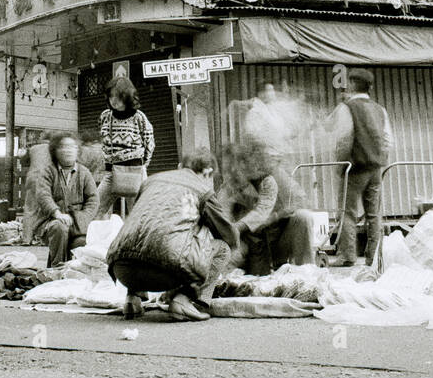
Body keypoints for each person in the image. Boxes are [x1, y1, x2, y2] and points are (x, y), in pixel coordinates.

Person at [107, 148, 238, 322]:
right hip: (164, 272)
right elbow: (228, 235)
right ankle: (185, 300)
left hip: (122, 269)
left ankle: (133, 299)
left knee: (145, 231)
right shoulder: (202, 189)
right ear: (208, 173)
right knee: (222, 249)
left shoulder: (151, 181)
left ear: (180, 166)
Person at [324, 68, 391, 267]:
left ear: (352, 84)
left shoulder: (347, 107)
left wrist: (341, 165)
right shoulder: (380, 109)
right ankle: (374, 257)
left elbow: (341, 135)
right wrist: (379, 159)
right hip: (375, 168)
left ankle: (347, 256)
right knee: (374, 214)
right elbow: (388, 139)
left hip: (354, 168)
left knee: (348, 212)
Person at [219, 142, 315, 275]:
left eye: (234, 166)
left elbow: (301, 201)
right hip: (247, 243)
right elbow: (222, 216)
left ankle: (307, 273)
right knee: (227, 259)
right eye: (227, 169)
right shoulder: (228, 188)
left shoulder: (271, 179)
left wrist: (276, 216)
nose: (231, 172)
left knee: (303, 217)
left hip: (276, 239)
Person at [25, 133, 98, 267]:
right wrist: (57, 214)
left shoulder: (84, 173)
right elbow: (43, 195)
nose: (68, 150)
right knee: (59, 228)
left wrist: (82, 218)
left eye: (72, 147)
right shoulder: (47, 172)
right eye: (63, 147)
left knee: (82, 242)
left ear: (78, 150)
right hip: (51, 221)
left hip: (77, 224)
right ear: (55, 151)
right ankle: (56, 268)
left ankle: (75, 273)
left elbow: (93, 199)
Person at [95, 76, 155, 217]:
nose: (113, 100)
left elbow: (149, 143)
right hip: (111, 172)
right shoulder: (105, 116)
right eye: (110, 96)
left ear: (127, 96)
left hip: (135, 171)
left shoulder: (139, 117)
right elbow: (102, 140)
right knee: (94, 209)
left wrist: (142, 165)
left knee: (138, 215)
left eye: (117, 96)